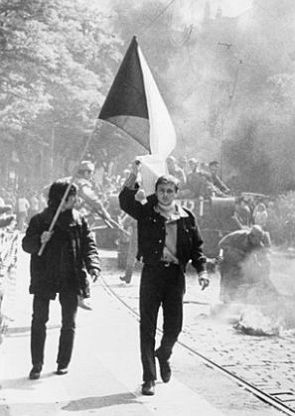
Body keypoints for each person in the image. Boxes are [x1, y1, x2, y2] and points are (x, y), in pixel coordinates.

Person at [119, 161, 210, 396]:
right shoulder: (147, 210)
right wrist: (134, 173)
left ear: (176, 194)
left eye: (170, 191)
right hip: (152, 274)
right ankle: (148, 377)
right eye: (161, 191)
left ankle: (164, 353)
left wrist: (202, 271)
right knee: (147, 326)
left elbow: (197, 249)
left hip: (174, 276)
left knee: (174, 326)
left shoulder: (187, 218)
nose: (166, 195)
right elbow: (125, 201)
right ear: (156, 192)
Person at [22, 180, 100, 380]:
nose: (75, 200)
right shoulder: (40, 220)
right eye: (71, 196)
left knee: (69, 323)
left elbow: (88, 246)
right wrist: (40, 239)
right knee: (39, 321)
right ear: (60, 199)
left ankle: (63, 363)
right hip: (44, 276)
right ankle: (36, 364)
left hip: (70, 276)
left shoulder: (79, 220)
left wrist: (93, 265)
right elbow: (26, 245)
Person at [218, 225, 276, 304]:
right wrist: (234, 252)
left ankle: (237, 298)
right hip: (227, 261)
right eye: (257, 238)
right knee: (228, 278)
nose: (258, 241)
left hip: (240, 263)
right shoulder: (238, 236)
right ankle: (225, 298)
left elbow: (263, 258)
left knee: (244, 277)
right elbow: (221, 244)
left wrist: (265, 271)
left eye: (260, 239)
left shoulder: (257, 244)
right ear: (251, 236)